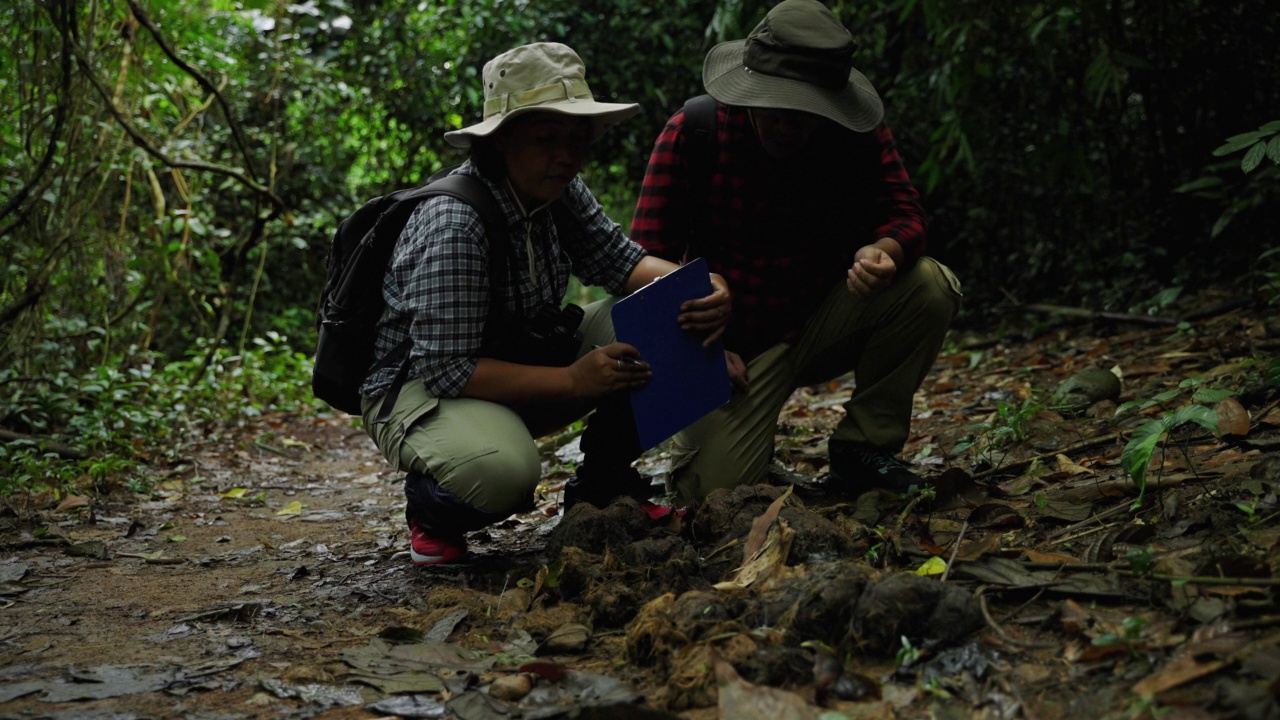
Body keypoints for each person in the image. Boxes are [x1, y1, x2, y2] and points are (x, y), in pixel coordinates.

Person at [360, 42, 731, 565]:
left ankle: (605, 492)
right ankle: (433, 507)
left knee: (666, 316)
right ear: (501, 142)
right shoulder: (455, 223)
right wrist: (574, 382)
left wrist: (703, 293)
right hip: (423, 388)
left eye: (577, 138)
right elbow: (446, 369)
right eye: (546, 138)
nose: (566, 155)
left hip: (510, 360)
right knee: (505, 478)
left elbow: (622, 265)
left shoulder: (557, 189)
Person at [631, 0, 962, 505]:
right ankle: (743, 451)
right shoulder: (697, 132)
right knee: (716, 492)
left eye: (806, 114)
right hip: (731, 348)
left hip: (821, 319)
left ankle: (863, 450)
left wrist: (884, 249)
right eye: (777, 110)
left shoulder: (855, 135)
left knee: (928, 286)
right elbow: (646, 260)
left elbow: (906, 211)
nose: (789, 127)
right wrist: (700, 352)